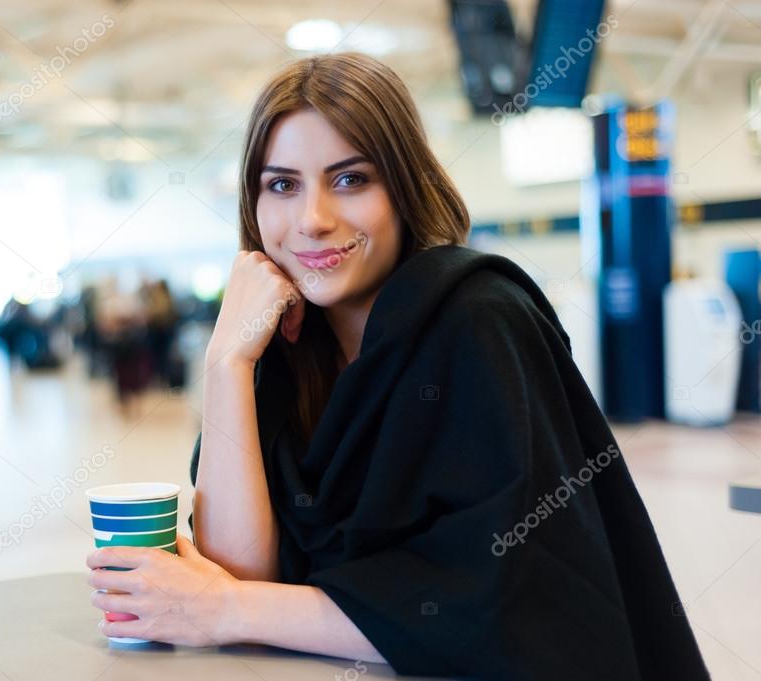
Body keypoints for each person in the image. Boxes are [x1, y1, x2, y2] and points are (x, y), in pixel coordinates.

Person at [86, 53, 710, 680]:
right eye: (282, 185)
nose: (313, 219)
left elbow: (496, 609)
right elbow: (243, 574)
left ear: (405, 187)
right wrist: (227, 364)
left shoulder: (477, 319)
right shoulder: (281, 345)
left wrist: (228, 608)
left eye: (351, 179)